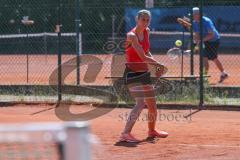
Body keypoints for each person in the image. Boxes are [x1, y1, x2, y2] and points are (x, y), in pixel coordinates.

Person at [119, 9, 168, 143]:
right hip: (132, 72)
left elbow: (146, 52)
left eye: (148, 20)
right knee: (140, 103)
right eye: (143, 19)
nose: (145, 22)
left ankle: (152, 130)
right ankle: (125, 133)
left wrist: (156, 65)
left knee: (152, 104)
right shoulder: (131, 36)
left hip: (143, 72)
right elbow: (142, 56)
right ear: (137, 19)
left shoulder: (147, 32)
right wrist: (159, 65)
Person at [192, 7, 229, 83]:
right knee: (204, 57)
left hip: (214, 40)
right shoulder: (194, 22)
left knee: (213, 58)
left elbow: (211, 35)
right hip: (205, 41)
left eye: (194, 14)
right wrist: (196, 42)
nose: (192, 16)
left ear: (198, 14)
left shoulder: (206, 21)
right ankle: (204, 77)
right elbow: (196, 34)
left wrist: (201, 40)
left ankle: (223, 73)